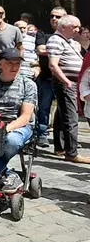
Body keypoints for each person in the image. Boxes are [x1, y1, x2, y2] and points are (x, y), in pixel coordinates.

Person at [0, 48, 38, 193]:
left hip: (19, 125)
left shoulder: (28, 84)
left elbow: (25, 117)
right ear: (0, 63)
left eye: (17, 63)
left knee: (11, 141)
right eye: (10, 63)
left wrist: (6, 129)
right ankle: (7, 174)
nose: (14, 67)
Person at [47, 15, 90, 163]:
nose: (78, 30)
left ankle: (61, 147)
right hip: (66, 82)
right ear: (64, 26)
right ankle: (72, 153)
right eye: (75, 27)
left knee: (62, 115)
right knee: (71, 117)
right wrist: (66, 81)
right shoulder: (55, 40)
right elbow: (53, 64)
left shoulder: (69, 41)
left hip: (72, 82)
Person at [34, 7, 66, 148]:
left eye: (58, 17)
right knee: (44, 107)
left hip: (64, 78)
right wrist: (61, 51)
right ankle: (42, 134)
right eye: (52, 16)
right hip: (47, 77)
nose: (54, 19)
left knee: (64, 109)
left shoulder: (69, 34)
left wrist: (50, 50)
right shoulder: (43, 33)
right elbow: (40, 49)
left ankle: (66, 138)